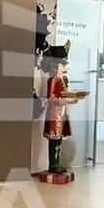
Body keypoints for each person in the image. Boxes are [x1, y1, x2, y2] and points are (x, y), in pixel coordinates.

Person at [40, 44, 80, 174]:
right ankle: (53, 164)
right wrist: (64, 100)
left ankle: (56, 162)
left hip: (61, 113)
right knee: (54, 139)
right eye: (63, 65)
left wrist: (71, 99)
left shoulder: (62, 79)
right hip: (54, 114)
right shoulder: (53, 80)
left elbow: (63, 95)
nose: (65, 68)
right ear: (56, 66)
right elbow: (51, 98)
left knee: (59, 139)